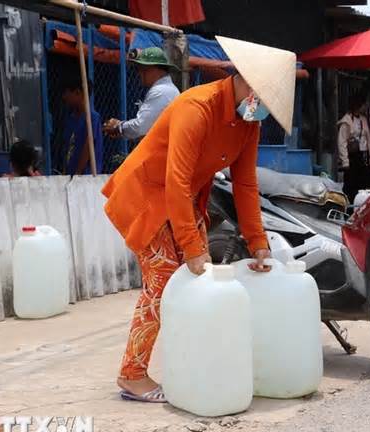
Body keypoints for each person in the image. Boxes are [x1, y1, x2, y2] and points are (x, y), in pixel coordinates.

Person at [102, 36, 297, 402]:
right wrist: (192, 247)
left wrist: (258, 244)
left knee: (198, 283)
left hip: (183, 199)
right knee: (161, 282)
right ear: (246, 82)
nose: (265, 109)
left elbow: (245, 184)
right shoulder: (198, 107)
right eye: (265, 98)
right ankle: (132, 374)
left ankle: (189, 367)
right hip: (148, 195)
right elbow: (176, 179)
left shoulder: (248, 123)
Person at [103, 47, 180, 140]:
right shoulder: (167, 89)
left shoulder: (161, 91)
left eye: (144, 69)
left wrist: (119, 127)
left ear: (156, 69)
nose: (140, 73)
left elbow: (141, 127)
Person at [337, 94, 370, 204]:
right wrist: (345, 161)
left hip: (362, 157)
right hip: (352, 157)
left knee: (364, 184)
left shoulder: (363, 119)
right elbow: (342, 142)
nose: (366, 107)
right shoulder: (347, 121)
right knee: (351, 185)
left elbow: (368, 139)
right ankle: (349, 208)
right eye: (364, 105)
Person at [61, 76, 104, 175]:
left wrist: (78, 173)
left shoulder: (92, 118)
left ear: (77, 92)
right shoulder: (71, 118)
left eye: (67, 93)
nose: (64, 97)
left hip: (86, 175)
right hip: (70, 173)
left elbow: (88, 146)